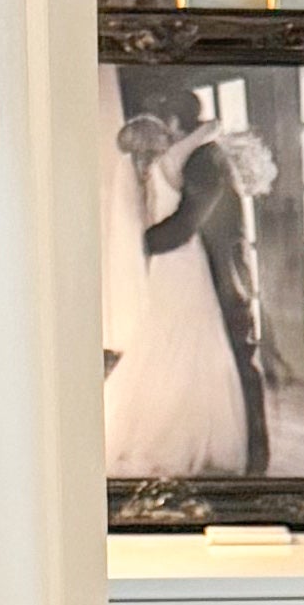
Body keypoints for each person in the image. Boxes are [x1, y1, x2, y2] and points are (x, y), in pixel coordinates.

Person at [99, 84, 260, 478]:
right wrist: (209, 127)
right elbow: (205, 132)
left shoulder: (143, 171)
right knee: (193, 334)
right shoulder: (173, 160)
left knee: (169, 333)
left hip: (165, 266)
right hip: (185, 262)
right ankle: (190, 429)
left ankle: (167, 422)